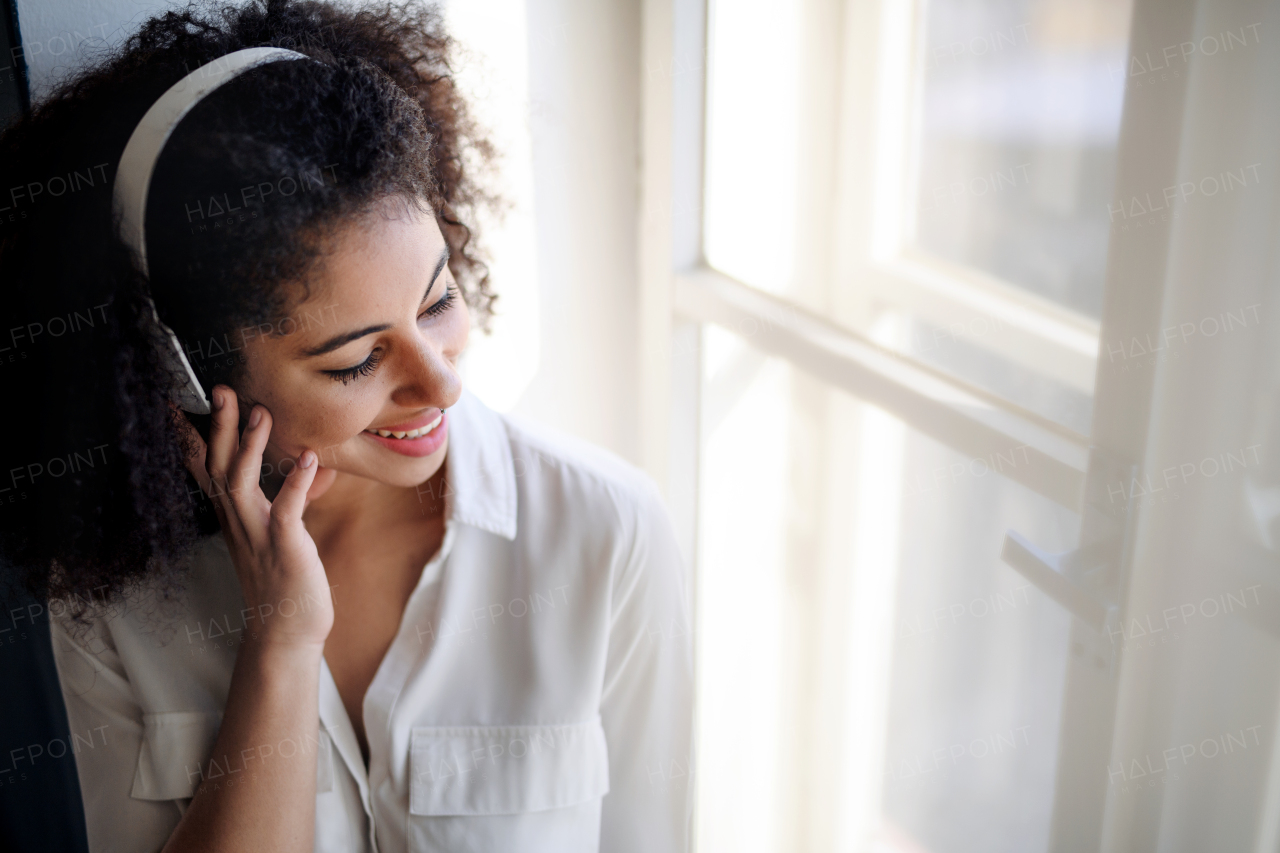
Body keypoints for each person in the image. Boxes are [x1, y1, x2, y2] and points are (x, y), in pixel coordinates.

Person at [0, 1, 693, 851]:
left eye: (438, 301)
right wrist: (280, 649)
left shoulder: (605, 528)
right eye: (356, 361)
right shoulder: (113, 599)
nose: (440, 381)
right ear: (183, 377)